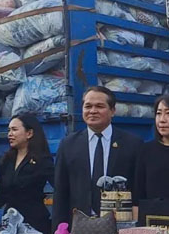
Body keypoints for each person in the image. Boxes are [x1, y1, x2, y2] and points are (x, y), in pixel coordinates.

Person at [53, 86, 141, 226]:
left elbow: (138, 190)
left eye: (99, 106)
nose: (93, 111)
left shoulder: (132, 144)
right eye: (88, 106)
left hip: (120, 225)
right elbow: (60, 192)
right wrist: (59, 231)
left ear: (112, 111)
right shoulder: (68, 144)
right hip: (80, 227)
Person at [0, 114, 54, 234]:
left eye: (14, 130)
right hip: (10, 225)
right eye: (9, 130)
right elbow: (2, 195)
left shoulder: (42, 160)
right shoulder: (7, 161)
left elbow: (59, 187)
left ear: (29, 133)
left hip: (35, 223)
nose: (10, 134)